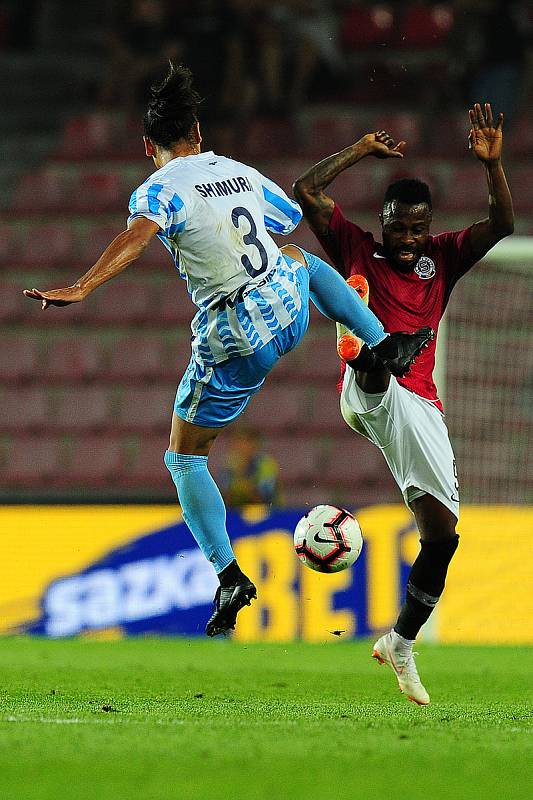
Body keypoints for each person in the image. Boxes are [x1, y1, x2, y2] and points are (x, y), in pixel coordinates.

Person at [24, 63, 432, 638]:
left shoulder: (158, 189)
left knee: (183, 457)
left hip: (237, 332)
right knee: (302, 260)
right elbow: (290, 217)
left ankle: (229, 576)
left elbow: (137, 235)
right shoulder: (236, 171)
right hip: (289, 308)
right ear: (198, 132)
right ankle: (385, 341)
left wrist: (83, 285)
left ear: (149, 146)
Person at [293, 102, 514, 704]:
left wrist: (492, 166)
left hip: (420, 408)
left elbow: (502, 225)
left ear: (428, 225)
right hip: (372, 393)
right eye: (398, 227)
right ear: (383, 220)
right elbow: (305, 190)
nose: (408, 238)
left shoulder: (443, 256)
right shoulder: (359, 248)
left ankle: (401, 642)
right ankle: (368, 350)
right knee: (380, 361)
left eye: (417, 228)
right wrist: (361, 149)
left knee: (442, 538)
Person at [219, 427, 282, 507]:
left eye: (245, 443)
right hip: (237, 512)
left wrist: (242, 488)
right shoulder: (230, 463)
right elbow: (224, 493)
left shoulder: (266, 465)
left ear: (255, 444)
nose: (241, 447)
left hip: (268, 513)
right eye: (238, 443)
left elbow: (264, 496)